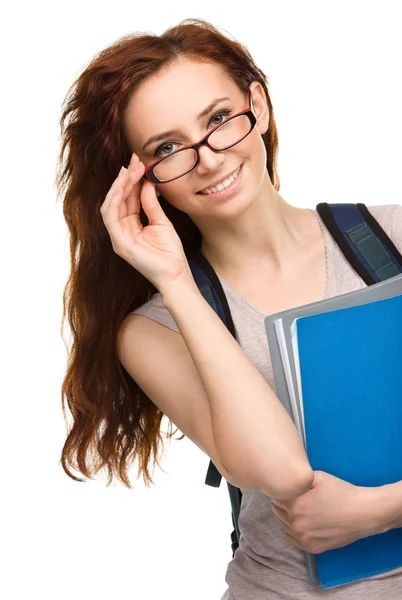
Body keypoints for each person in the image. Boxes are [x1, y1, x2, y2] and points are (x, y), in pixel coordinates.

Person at [57, 17, 402, 599]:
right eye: (167, 148)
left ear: (258, 106)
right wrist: (173, 279)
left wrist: (383, 509)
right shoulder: (156, 329)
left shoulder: (391, 239)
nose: (210, 158)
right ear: (143, 182)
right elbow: (279, 475)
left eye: (218, 119)